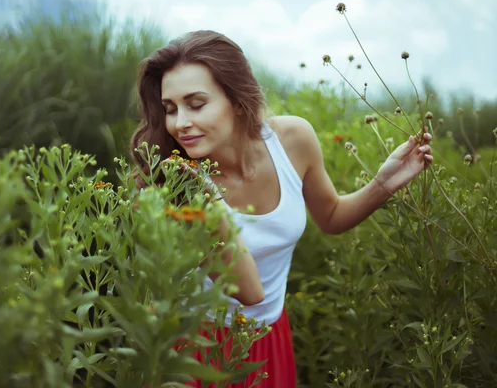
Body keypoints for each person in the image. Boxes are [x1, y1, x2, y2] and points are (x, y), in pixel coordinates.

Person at [129, 30, 433, 387]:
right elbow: (249, 292)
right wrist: (207, 204)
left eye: (196, 104)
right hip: (197, 349)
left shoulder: (293, 140)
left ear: (237, 99)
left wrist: (384, 183)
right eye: (170, 109)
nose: (180, 123)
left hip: (271, 335)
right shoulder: (171, 183)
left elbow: (331, 217)